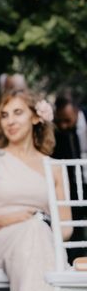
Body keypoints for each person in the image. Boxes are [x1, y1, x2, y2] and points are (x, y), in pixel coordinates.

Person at [0, 90, 74, 291]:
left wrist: (38, 228)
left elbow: (66, 227)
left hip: (41, 239)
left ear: (36, 117)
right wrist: (14, 220)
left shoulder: (54, 168)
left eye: (17, 113)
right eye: (4, 115)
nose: (10, 121)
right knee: (32, 231)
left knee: (35, 233)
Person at [52, 93, 87, 262]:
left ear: (76, 111)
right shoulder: (58, 131)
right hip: (72, 186)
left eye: (67, 120)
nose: (64, 125)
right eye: (60, 121)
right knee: (75, 231)